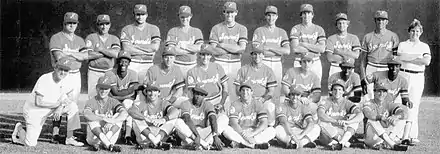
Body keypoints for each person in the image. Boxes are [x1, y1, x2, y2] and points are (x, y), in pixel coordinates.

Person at [11, 57, 83, 147]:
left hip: (51, 108)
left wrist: (60, 107)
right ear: (55, 68)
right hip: (34, 111)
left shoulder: (67, 80)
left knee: (73, 106)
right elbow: (38, 102)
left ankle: (69, 138)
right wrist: (57, 105)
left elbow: (68, 97)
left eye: (66, 70)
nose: (63, 73)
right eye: (61, 69)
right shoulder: (45, 79)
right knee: (30, 144)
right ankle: (19, 128)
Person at [48, 12, 88, 145]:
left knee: (72, 105)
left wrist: (68, 53)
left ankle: (69, 136)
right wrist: (76, 55)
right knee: (59, 102)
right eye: (69, 23)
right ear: (64, 23)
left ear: (77, 24)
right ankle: (55, 134)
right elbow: (59, 57)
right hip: (61, 74)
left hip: (75, 75)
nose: (71, 25)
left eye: (74, 23)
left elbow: (84, 57)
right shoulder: (56, 37)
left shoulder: (80, 40)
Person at [395, 19, 432, 144]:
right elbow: (399, 58)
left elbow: (426, 62)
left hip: (417, 77)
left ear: (420, 32)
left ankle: (412, 135)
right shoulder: (402, 44)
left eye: (417, 31)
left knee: (414, 104)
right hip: (403, 75)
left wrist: (408, 58)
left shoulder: (424, 46)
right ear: (409, 32)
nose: (414, 33)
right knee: (400, 103)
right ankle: (398, 134)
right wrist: (417, 57)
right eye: (412, 31)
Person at [208, 1, 248, 102]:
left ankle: (232, 115)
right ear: (224, 12)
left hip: (235, 63)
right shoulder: (216, 28)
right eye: (227, 12)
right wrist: (233, 49)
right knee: (219, 91)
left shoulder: (242, 28)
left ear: (236, 12)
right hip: (219, 63)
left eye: (232, 12)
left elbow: (241, 49)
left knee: (234, 92)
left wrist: (222, 45)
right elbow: (213, 50)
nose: (229, 14)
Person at [360, 10, 399, 100]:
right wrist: (362, 77)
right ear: (375, 21)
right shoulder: (368, 37)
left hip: (386, 68)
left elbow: (396, 59)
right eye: (378, 20)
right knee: (370, 96)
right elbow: (363, 60)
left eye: (383, 19)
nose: (380, 22)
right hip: (371, 67)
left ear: (387, 22)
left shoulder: (393, 36)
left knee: (385, 95)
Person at [251, 5, 290, 97]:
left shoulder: (282, 32)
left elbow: (287, 51)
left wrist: (268, 48)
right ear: (265, 16)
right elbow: (257, 50)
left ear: (277, 16)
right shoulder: (259, 31)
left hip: (277, 64)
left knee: (276, 92)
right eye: (268, 15)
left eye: (273, 15)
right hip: (263, 62)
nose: (271, 18)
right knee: (261, 89)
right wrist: (278, 51)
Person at [83, 76, 128, 152]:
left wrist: (113, 120)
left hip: (109, 135)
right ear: (97, 88)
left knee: (118, 115)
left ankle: (105, 143)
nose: (103, 91)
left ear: (110, 89)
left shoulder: (113, 101)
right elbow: (86, 114)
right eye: (101, 88)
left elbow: (124, 113)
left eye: (106, 88)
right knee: (92, 118)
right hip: (94, 138)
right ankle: (108, 144)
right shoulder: (91, 101)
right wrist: (102, 118)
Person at [222, 84, 275, 149]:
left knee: (272, 130)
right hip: (240, 132)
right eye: (243, 90)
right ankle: (254, 145)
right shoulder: (235, 104)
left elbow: (264, 123)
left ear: (252, 92)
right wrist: (245, 136)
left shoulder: (258, 103)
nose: (245, 92)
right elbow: (233, 123)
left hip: (254, 132)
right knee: (226, 130)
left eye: (247, 90)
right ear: (240, 92)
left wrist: (252, 133)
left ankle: (243, 144)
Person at [104, 51, 140, 145]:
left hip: (125, 100)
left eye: (126, 61)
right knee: (122, 106)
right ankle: (117, 133)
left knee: (127, 105)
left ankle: (127, 135)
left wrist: (122, 94)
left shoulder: (133, 74)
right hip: (113, 100)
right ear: (117, 62)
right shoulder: (110, 73)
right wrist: (128, 92)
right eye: (121, 61)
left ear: (129, 63)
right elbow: (115, 92)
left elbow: (132, 94)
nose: (123, 64)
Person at [128, 85, 180, 150]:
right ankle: (155, 142)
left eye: (155, 91)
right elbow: (131, 111)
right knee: (136, 118)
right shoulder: (142, 103)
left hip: (160, 134)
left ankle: (155, 141)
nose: (152, 94)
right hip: (145, 135)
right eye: (149, 91)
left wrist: (163, 119)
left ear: (159, 93)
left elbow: (176, 111)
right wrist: (145, 118)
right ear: (146, 93)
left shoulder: (163, 102)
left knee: (174, 119)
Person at [234, 47, 277, 126]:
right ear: (251, 55)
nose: (257, 56)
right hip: (246, 99)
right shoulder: (243, 70)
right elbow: (237, 91)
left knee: (270, 106)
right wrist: (248, 99)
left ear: (263, 56)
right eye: (255, 54)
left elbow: (271, 92)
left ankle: (270, 127)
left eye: (260, 54)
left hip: (262, 99)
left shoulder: (268, 71)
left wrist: (263, 99)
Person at [362, 83, 410, 151]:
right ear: (374, 92)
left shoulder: (388, 103)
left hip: (386, 135)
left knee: (402, 119)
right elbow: (367, 113)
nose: (381, 94)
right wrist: (380, 117)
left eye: (384, 91)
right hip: (372, 137)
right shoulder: (369, 103)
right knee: (371, 121)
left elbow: (404, 113)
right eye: (379, 91)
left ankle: (388, 141)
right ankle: (393, 145)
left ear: (386, 93)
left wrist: (396, 116)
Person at [317, 81, 364, 150]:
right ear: (331, 91)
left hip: (342, 130)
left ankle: (341, 143)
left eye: (340, 90)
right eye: (335, 89)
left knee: (354, 117)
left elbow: (361, 115)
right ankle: (346, 143)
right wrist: (335, 121)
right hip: (329, 133)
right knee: (321, 122)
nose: (337, 92)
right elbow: (320, 114)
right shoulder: (327, 101)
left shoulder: (347, 102)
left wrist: (348, 122)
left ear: (343, 92)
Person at [120, 4, 161, 81]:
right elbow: (126, 49)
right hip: (132, 63)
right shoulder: (127, 29)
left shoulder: (154, 29)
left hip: (147, 63)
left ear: (147, 15)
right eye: (138, 14)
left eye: (143, 14)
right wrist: (148, 51)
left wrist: (135, 46)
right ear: (134, 15)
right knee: (131, 89)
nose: (140, 17)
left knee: (145, 89)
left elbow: (155, 47)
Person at [86, 14, 120, 99]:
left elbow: (116, 54)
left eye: (106, 24)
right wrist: (108, 53)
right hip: (94, 72)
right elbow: (88, 55)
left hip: (109, 72)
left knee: (109, 98)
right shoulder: (91, 37)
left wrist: (100, 49)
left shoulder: (114, 38)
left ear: (110, 24)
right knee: (92, 97)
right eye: (101, 24)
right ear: (97, 25)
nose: (104, 26)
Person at [288, 3, 326, 80]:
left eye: (309, 13)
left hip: (315, 62)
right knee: (299, 87)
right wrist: (315, 48)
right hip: (300, 61)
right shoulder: (296, 28)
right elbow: (295, 49)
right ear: (301, 15)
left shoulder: (319, 29)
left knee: (315, 88)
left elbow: (322, 49)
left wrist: (303, 44)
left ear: (312, 15)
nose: (306, 15)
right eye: (304, 13)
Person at [186, 47, 229, 113]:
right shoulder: (192, 72)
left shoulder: (217, 67)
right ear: (198, 55)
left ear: (211, 55)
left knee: (223, 120)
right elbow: (191, 94)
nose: (205, 58)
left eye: (208, 54)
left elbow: (225, 87)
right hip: (202, 102)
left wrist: (221, 103)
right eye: (203, 54)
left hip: (217, 100)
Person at [165, 5, 204, 76]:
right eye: (182, 17)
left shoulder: (197, 31)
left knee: (192, 87)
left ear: (191, 16)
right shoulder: (173, 31)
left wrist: (183, 46)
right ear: (179, 16)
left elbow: (199, 48)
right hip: (177, 65)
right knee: (177, 87)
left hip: (192, 66)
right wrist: (192, 49)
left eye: (187, 16)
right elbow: (172, 50)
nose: (184, 19)